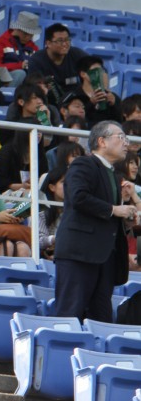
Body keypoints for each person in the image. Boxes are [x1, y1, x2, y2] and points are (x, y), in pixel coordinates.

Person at [56, 120, 138, 322]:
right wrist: (114, 209)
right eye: (121, 137)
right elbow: (78, 197)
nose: (126, 143)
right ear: (102, 141)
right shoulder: (83, 163)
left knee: (101, 319)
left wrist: (125, 221)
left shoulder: (113, 174)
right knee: (70, 313)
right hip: (80, 253)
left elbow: (107, 215)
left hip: (105, 257)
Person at [0, 11, 40, 88]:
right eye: (25, 34)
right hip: (3, 80)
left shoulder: (34, 48)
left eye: (31, 35)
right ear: (17, 29)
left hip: (27, 82)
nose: (28, 37)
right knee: (20, 74)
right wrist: (20, 65)